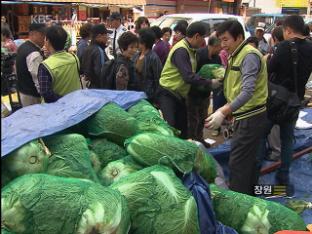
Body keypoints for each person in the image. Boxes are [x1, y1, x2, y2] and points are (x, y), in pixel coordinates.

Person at [205, 20, 268, 195]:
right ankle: (250, 194)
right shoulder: (236, 54)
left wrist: (223, 111)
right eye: (221, 40)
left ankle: (238, 204)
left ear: (239, 37)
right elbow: (236, 87)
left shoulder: (249, 56)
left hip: (251, 116)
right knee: (248, 160)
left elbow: (247, 91)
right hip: (243, 115)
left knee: (238, 163)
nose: (223, 45)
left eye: (226, 40)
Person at [262, 15, 312, 186]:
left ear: (288, 30)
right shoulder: (310, 48)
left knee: (261, 134)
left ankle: (253, 175)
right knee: (287, 139)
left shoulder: (283, 47)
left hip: (277, 100)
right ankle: (283, 180)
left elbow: (269, 70)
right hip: (295, 101)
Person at [158, 22, 221, 139]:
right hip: (168, 94)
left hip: (179, 95)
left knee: (183, 130)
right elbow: (188, 76)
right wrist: (210, 83)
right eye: (203, 38)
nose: (203, 42)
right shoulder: (181, 50)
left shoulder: (191, 49)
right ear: (197, 36)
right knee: (170, 128)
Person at [187, 36, 222, 147]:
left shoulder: (217, 58)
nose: (221, 49)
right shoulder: (198, 55)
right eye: (220, 47)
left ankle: (200, 138)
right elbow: (191, 73)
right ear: (214, 45)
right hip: (193, 93)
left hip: (206, 93)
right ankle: (192, 142)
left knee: (203, 117)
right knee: (193, 119)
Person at [38, 26, 81, 103]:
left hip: (55, 110)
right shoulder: (74, 57)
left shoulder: (45, 66)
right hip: (75, 104)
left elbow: (46, 95)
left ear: (48, 41)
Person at [16, 23, 46, 107]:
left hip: (23, 91)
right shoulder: (34, 53)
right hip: (32, 97)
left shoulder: (22, 46)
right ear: (34, 34)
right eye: (42, 35)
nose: (44, 39)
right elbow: (38, 80)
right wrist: (45, 97)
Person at [132, 28, 162, 103]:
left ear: (143, 43)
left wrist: (157, 99)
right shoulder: (136, 55)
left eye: (138, 41)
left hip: (148, 96)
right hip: (136, 94)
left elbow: (158, 79)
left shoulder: (154, 58)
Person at [81, 24, 112, 88]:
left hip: (90, 86)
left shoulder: (89, 48)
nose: (107, 37)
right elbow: (101, 73)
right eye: (106, 35)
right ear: (99, 36)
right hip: (99, 88)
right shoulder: (98, 51)